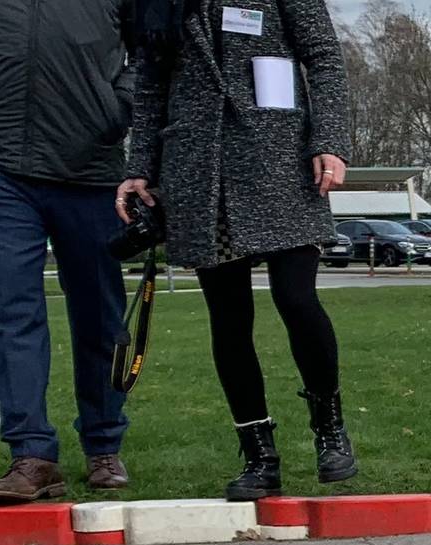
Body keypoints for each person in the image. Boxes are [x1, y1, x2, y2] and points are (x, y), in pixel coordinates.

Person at [120, 0, 353, 501]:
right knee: (228, 318)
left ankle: (329, 429)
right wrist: (140, 165)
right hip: (199, 169)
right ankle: (258, 454)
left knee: (297, 299)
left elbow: (324, 59)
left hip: (280, 159)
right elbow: (149, 84)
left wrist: (329, 140)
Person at [0, 0, 135, 505]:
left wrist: (116, 105)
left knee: (101, 314)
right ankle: (32, 454)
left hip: (90, 164)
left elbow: (150, 46)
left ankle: (104, 442)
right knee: (12, 307)